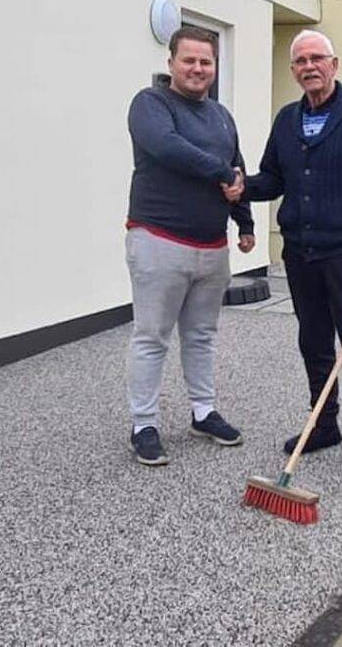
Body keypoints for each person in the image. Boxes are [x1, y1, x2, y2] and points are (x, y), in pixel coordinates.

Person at [236, 30, 342, 478]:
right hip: (301, 252)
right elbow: (273, 179)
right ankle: (324, 424)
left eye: (317, 58)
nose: (308, 66)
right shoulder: (287, 120)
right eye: (300, 61)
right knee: (313, 340)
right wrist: (243, 187)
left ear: (334, 64)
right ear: (293, 70)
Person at [124, 26, 254, 466]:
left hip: (212, 247)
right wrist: (221, 171)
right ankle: (143, 424)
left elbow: (237, 170)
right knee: (152, 337)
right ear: (171, 63)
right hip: (159, 239)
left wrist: (245, 221)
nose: (198, 69)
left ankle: (203, 412)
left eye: (206, 62)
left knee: (201, 336)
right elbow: (168, 148)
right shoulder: (151, 104)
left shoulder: (221, 115)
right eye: (190, 60)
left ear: (214, 68)